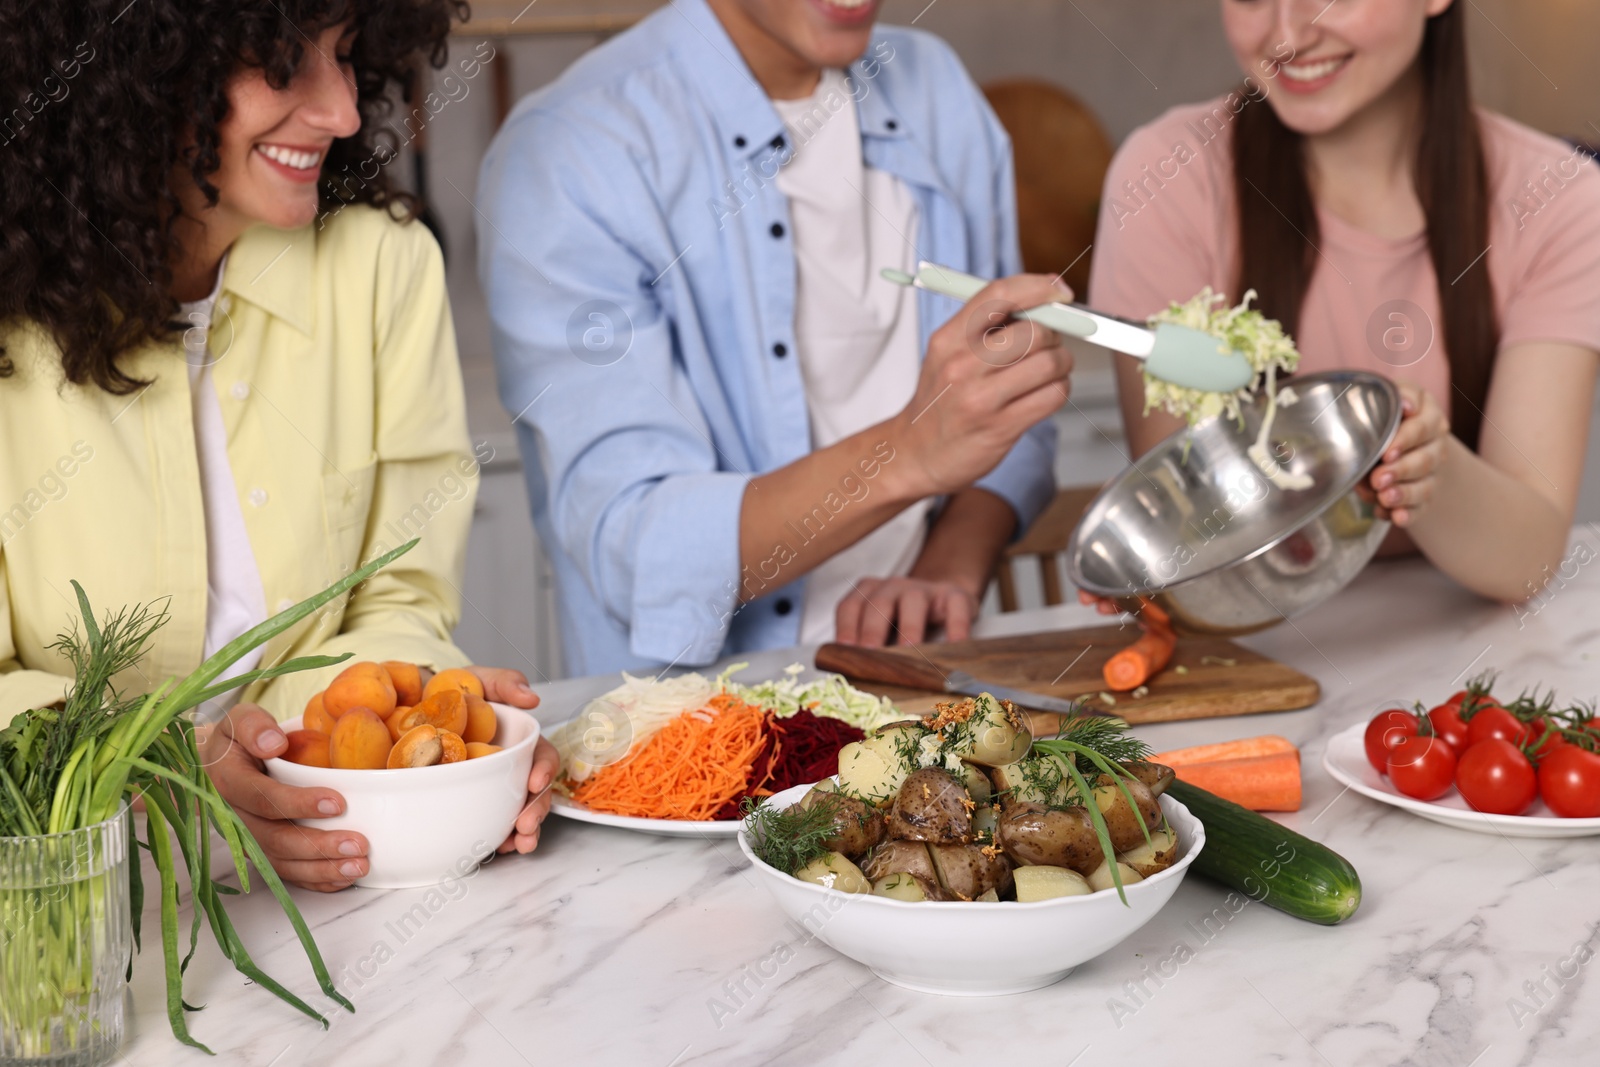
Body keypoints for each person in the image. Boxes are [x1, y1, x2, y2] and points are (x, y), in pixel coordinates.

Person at [0, 0, 557, 891]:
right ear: (142, 71)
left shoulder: (383, 265)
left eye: (344, 59)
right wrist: (162, 762)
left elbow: (399, 596)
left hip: (330, 870)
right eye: (286, 63)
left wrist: (432, 736)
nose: (340, 112)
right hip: (72, 898)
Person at [478, 0, 1074, 676]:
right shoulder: (573, 150)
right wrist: (908, 450)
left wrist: (948, 565)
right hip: (693, 737)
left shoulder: (934, 89)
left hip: (923, 694)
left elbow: (1010, 420)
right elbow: (639, 547)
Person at [1089, 0, 1600, 606]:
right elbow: (1188, 543)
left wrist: (1426, 468)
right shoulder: (1163, 178)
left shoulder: (1560, 201)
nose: (1287, 35)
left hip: (1458, 635)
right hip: (1258, 642)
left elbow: (1528, 562)